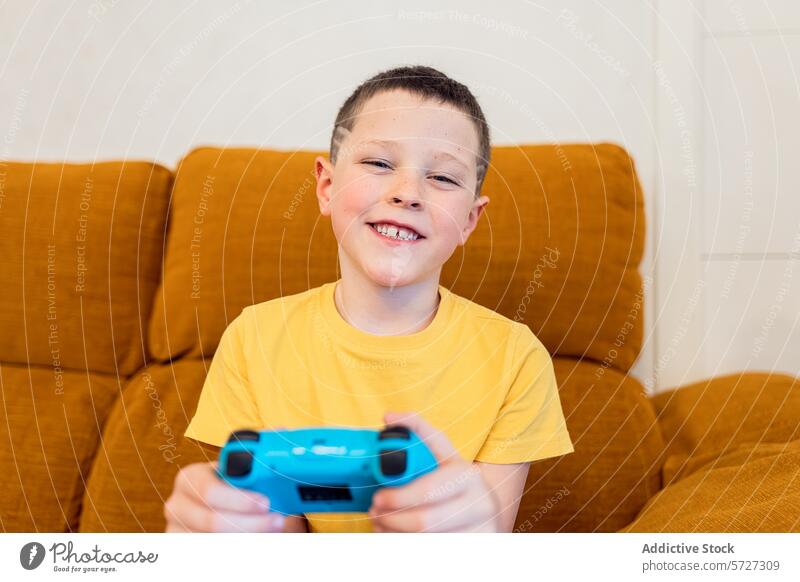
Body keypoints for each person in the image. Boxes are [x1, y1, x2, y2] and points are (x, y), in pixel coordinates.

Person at [164, 65, 574, 533]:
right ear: (327, 186)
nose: (407, 194)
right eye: (379, 164)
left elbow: (485, 543)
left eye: (442, 177)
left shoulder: (515, 358)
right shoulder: (253, 338)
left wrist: (463, 531)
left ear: (469, 220)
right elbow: (271, 531)